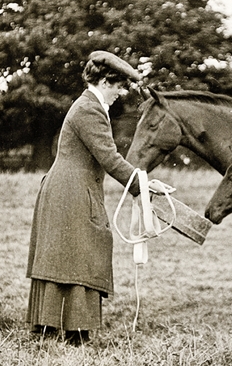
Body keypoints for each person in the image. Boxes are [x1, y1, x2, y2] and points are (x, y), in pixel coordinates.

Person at [26, 51, 142, 345]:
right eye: (118, 86)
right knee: (77, 257)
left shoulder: (89, 106)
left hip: (71, 190)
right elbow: (109, 157)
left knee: (71, 257)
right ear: (104, 81)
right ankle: (69, 332)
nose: (121, 93)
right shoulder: (89, 109)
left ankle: (59, 328)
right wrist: (140, 185)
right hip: (71, 192)